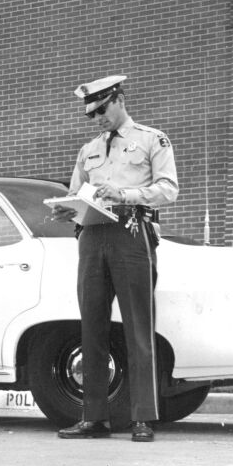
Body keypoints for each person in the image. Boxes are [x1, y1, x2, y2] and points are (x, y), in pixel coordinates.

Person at [50, 75, 178, 443]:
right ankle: (94, 416)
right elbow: (77, 193)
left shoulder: (152, 140)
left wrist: (123, 194)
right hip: (91, 237)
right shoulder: (87, 149)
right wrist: (66, 210)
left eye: (103, 110)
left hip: (132, 233)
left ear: (119, 100)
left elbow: (169, 189)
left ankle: (142, 416)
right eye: (92, 114)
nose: (98, 119)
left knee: (138, 326)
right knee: (91, 326)